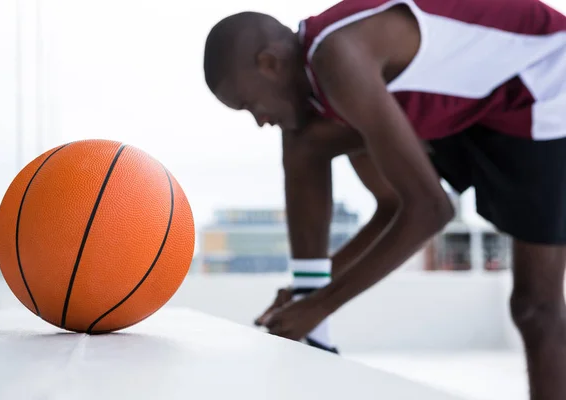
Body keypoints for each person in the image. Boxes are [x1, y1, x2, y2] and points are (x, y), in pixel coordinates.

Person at [202, 1, 566, 399]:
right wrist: (309, 291)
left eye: (249, 105)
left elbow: (430, 210)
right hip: (472, 98)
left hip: (543, 82)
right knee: (303, 143)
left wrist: (323, 304)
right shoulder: (319, 88)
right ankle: (311, 312)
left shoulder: (338, 58)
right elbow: (393, 207)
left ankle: (313, 312)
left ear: (270, 64)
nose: (258, 119)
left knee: (536, 307)